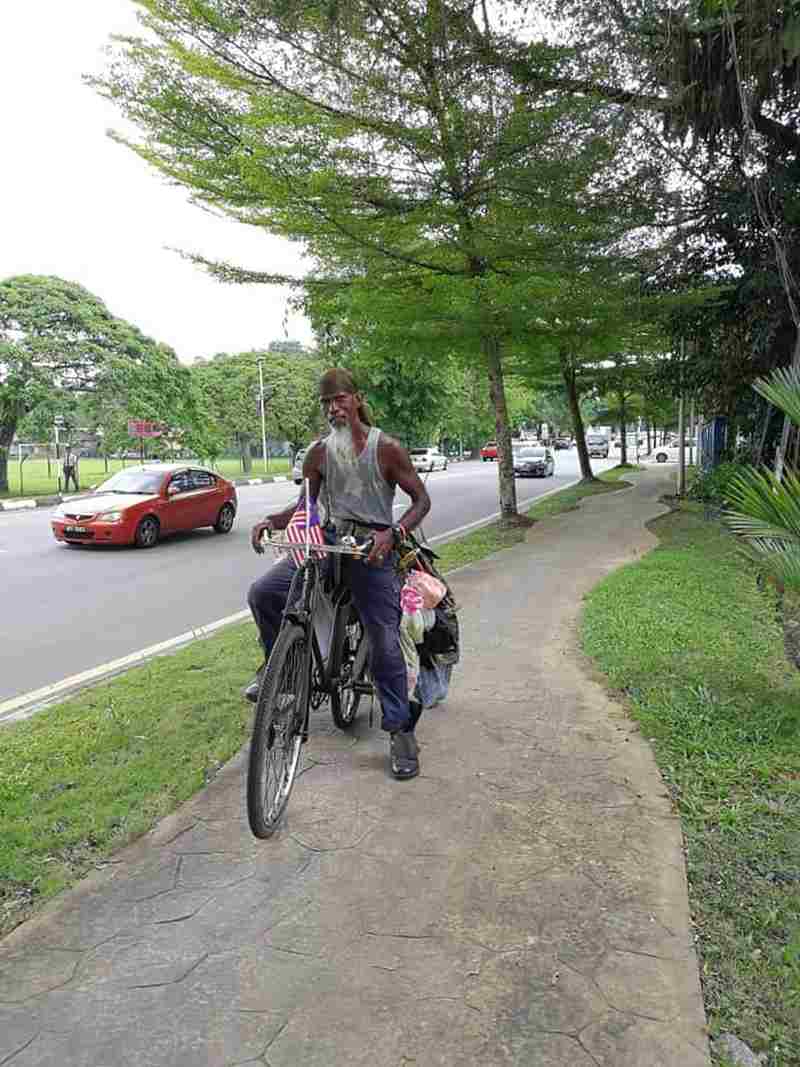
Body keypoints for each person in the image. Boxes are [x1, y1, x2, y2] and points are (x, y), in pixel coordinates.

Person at [246, 368, 431, 780]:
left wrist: (394, 533)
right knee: (265, 592)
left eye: (340, 399)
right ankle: (281, 677)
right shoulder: (318, 452)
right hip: (328, 545)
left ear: (357, 399)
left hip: (372, 552)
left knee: (384, 638)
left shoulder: (388, 450)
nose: (334, 409)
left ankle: (400, 729)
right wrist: (270, 521)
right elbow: (304, 507)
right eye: (327, 403)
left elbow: (421, 500)